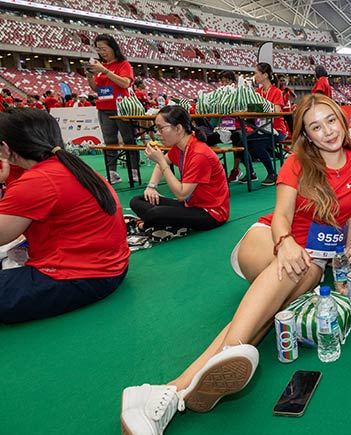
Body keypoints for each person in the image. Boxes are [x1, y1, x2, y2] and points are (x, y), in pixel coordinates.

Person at [119, 94, 351, 435]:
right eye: (316, 126)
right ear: (307, 135)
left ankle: (170, 394)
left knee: (277, 305)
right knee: (291, 270)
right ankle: (216, 363)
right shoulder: (298, 163)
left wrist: (345, 273)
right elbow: (281, 215)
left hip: (311, 258)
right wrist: (284, 243)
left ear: (342, 121)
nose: (327, 131)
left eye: (331, 121)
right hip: (266, 240)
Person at [0, 108, 129, 323]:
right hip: (109, 269)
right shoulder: (71, 167)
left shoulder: (37, 180)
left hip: (80, 276)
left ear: (6, 147)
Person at [129, 106, 229, 237]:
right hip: (191, 204)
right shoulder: (181, 146)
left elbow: (181, 194)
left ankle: (143, 225)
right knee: (138, 200)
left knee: (156, 214)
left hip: (211, 213)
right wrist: (151, 187)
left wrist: (162, 162)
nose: (158, 133)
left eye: (161, 128)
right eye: (157, 129)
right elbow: (160, 166)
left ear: (178, 128)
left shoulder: (199, 154)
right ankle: (167, 224)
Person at [86, 34, 138, 185]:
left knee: (129, 140)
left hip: (121, 107)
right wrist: (89, 77)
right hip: (104, 107)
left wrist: (105, 71)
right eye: (98, 49)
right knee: (109, 141)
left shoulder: (124, 64)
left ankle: (133, 170)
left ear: (113, 47)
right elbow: (97, 88)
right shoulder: (101, 66)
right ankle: (112, 172)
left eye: (104, 48)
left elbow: (125, 83)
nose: (101, 52)